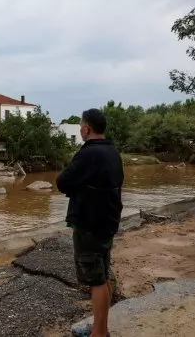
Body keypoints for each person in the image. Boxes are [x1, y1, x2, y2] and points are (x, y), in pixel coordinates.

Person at [56, 108, 124, 337]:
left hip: (90, 224)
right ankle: (100, 329)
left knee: (96, 280)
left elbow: (63, 182)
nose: (80, 130)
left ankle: (98, 334)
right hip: (108, 222)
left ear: (87, 128)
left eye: (81, 126)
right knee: (103, 276)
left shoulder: (88, 153)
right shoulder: (113, 152)